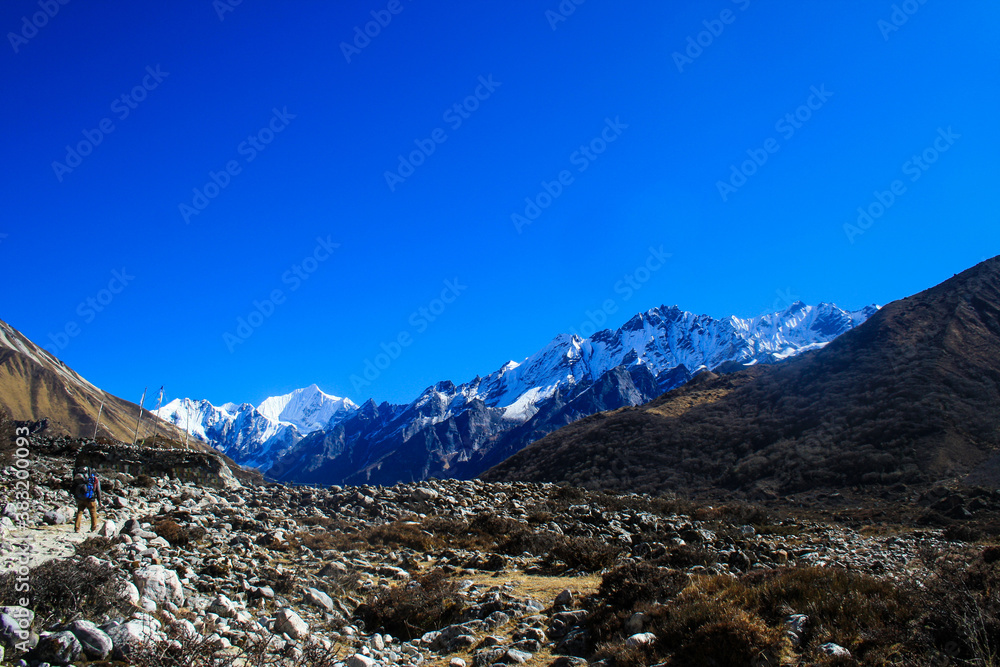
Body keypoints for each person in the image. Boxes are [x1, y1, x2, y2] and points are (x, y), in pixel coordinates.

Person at [72, 466, 102, 532]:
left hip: (80, 498)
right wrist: (99, 500)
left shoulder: (79, 479)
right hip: (91, 499)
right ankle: (93, 528)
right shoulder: (94, 479)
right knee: (93, 513)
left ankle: (77, 528)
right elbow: (98, 490)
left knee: (79, 512)